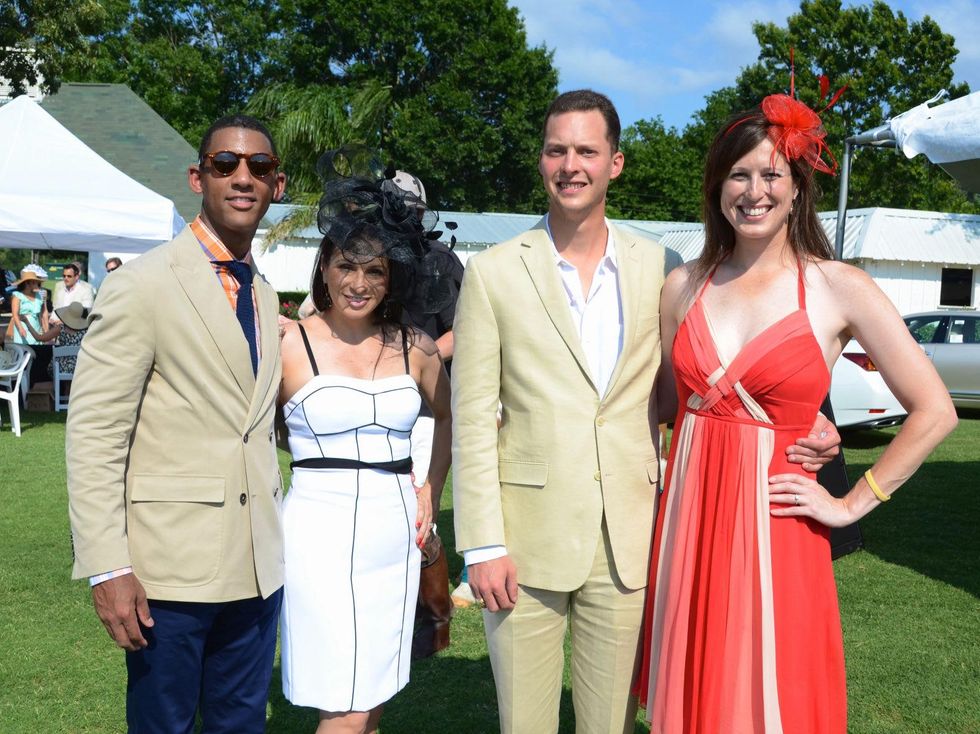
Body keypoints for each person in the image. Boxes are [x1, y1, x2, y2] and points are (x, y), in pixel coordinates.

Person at [451, 89, 842, 734]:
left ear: (615, 163)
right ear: (541, 159)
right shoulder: (492, 272)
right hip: (525, 540)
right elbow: (469, 419)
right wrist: (484, 545)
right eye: (556, 150)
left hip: (634, 540)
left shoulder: (663, 268)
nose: (570, 165)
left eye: (586, 151)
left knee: (611, 724)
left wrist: (805, 423)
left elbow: (692, 389)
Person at [636, 92, 958, 733]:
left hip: (779, 519)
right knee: (695, 689)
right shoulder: (683, 285)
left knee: (773, 690)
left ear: (797, 188)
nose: (754, 191)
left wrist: (851, 503)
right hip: (688, 519)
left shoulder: (839, 286)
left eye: (770, 174)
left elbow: (935, 411)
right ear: (717, 187)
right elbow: (663, 406)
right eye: (738, 174)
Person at [66, 113, 287, 733]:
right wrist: (108, 565)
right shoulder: (142, 284)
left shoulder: (265, 293)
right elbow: (95, 435)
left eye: (259, 167)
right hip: (167, 572)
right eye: (225, 164)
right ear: (198, 177)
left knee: (241, 725)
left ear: (276, 184)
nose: (242, 177)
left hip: (258, 567)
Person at [277, 147, 452, 734]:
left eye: (374, 271)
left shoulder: (415, 347)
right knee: (344, 707)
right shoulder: (288, 343)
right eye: (346, 267)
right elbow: (254, 429)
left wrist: (431, 487)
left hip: (393, 533)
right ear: (324, 268)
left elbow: (447, 416)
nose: (358, 284)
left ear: (392, 276)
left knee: (373, 696)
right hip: (317, 535)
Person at [382, 169, 464, 658]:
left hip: (428, 404)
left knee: (418, 511)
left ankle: (435, 621)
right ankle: (391, 609)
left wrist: (414, 361)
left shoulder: (441, 261)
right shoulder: (370, 254)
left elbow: (463, 329)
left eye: (409, 209)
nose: (401, 217)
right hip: (378, 399)